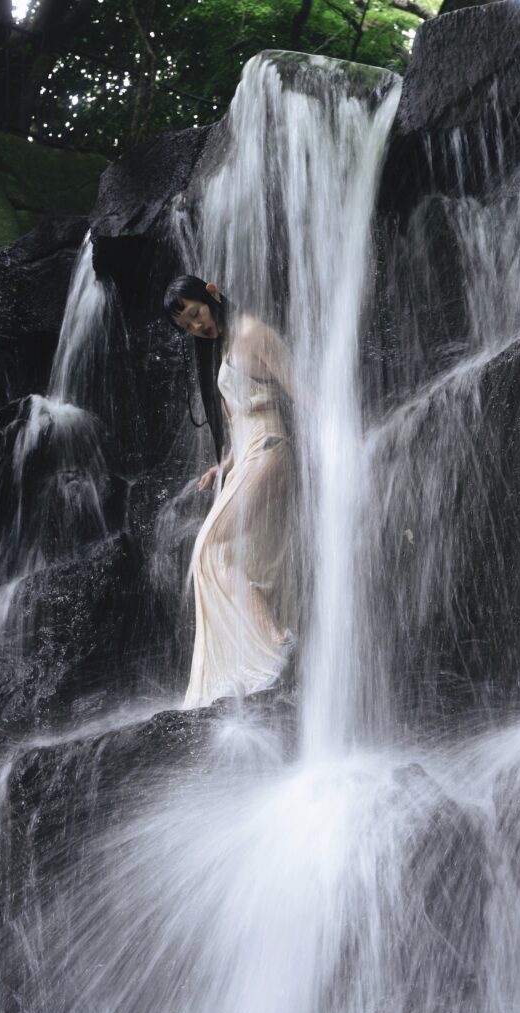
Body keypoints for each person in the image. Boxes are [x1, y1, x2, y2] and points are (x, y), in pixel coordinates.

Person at [163, 275, 295, 708]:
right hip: (251, 455)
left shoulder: (252, 332)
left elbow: (300, 388)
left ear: (212, 294)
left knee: (210, 550)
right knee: (230, 556)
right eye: (187, 326)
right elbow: (240, 422)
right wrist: (224, 465)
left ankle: (278, 641)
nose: (196, 327)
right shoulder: (224, 351)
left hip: (271, 451)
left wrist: (340, 435)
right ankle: (261, 656)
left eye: (196, 314)